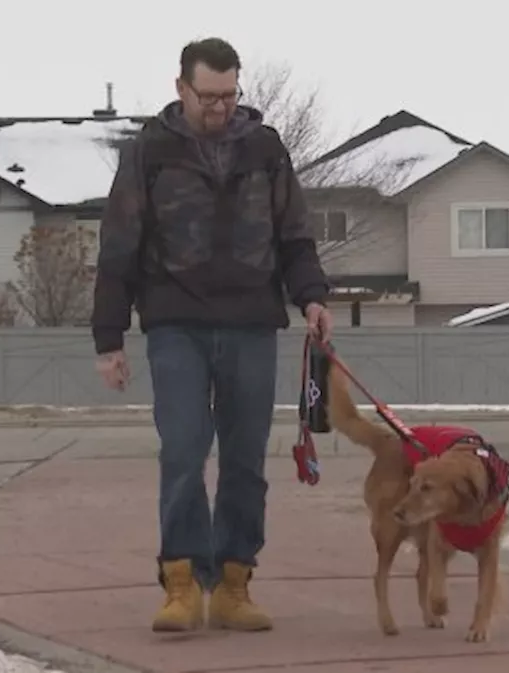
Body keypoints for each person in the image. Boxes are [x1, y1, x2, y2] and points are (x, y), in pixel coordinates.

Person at [90, 37, 333, 634]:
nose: (220, 107)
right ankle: (180, 583)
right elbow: (118, 247)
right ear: (181, 89)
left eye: (230, 96)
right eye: (208, 97)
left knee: (246, 460)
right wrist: (109, 338)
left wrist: (312, 296)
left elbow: (295, 235)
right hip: (176, 324)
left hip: (252, 322)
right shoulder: (151, 151)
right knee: (184, 450)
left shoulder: (266, 150)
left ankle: (232, 583)